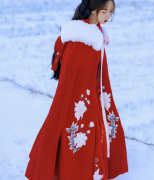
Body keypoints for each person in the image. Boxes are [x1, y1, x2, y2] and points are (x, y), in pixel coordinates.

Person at [24, 0, 128, 180]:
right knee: (75, 132)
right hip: (78, 98)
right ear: (94, 9)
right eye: (104, 11)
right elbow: (71, 76)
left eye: (111, 12)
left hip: (90, 94)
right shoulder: (81, 38)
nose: (108, 16)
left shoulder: (95, 33)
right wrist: (80, 100)